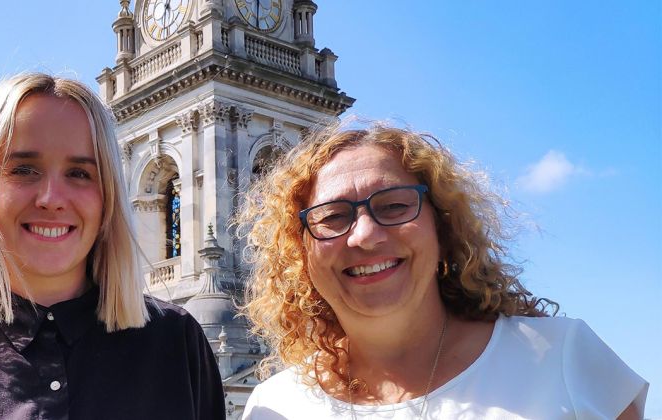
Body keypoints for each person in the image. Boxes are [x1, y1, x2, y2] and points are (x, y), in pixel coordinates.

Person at [0, 73, 225, 419]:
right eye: (24, 170)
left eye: (80, 173)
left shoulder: (178, 343)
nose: (52, 198)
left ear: (108, 197)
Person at [235, 120, 648, 419]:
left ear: (442, 225)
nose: (365, 235)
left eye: (395, 205)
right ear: (299, 250)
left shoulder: (562, 359)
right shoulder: (275, 406)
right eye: (332, 217)